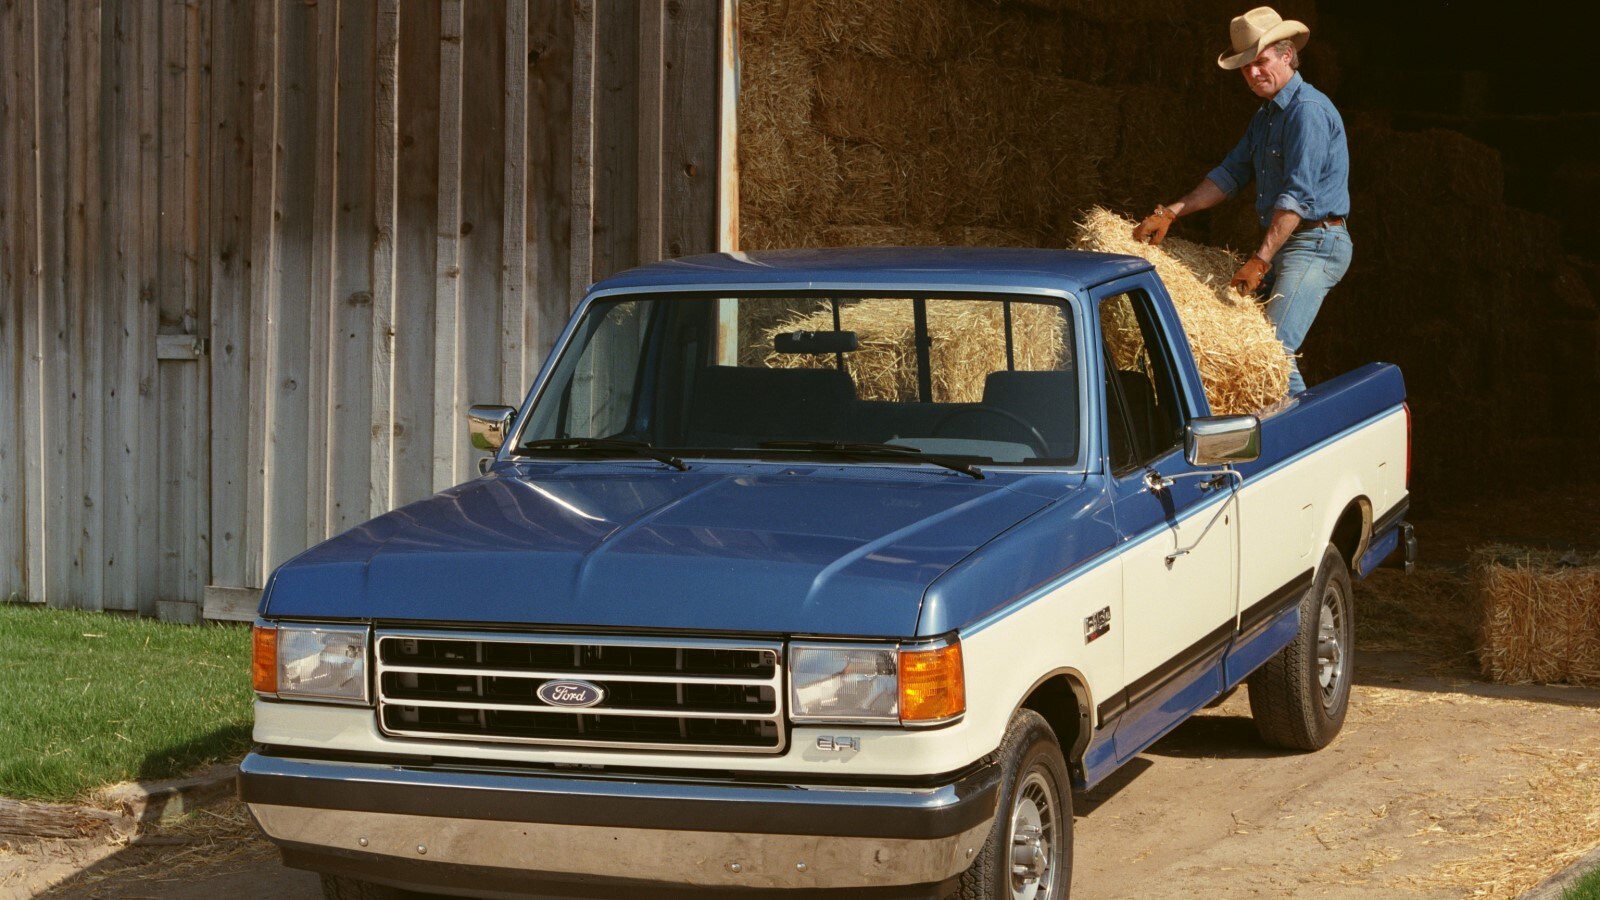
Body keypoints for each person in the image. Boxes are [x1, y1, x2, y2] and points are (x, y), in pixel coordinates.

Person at [1132, 6, 1351, 395]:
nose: (1252, 74)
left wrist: (1261, 259)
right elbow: (1229, 175)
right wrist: (1171, 212)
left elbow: (1297, 197)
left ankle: (1307, 445)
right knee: (1244, 352)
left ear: (1287, 55)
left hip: (1316, 243)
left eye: (1261, 62)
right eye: (1245, 67)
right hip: (1288, 241)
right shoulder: (1266, 117)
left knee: (1269, 354)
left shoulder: (1308, 112)